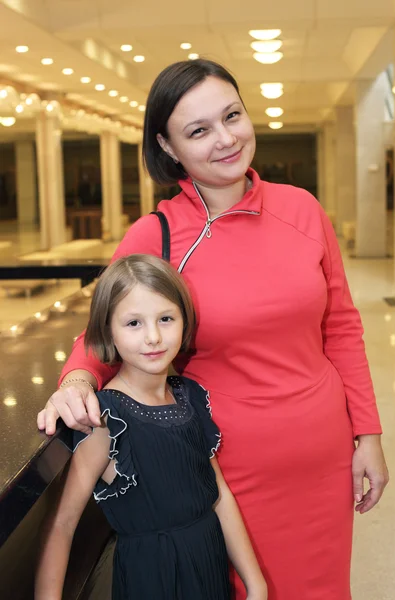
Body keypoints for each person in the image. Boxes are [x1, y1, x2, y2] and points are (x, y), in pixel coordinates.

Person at [37, 59, 389, 600]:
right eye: (199, 130)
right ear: (169, 146)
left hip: (320, 454)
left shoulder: (303, 210)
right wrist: (78, 381)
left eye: (232, 116)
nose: (225, 139)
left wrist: (366, 434)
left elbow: (340, 326)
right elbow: (101, 334)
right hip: (220, 466)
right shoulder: (157, 234)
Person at [35, 254, 267, 600]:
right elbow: (62, 524)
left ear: (185, 322)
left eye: (166, 318)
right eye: (134, 324)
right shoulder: (105, 418)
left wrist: (255, 583)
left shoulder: (189, 397)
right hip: (152, 577)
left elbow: (219, 496)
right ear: (107, 331)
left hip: (209, 565)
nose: (154, 337)